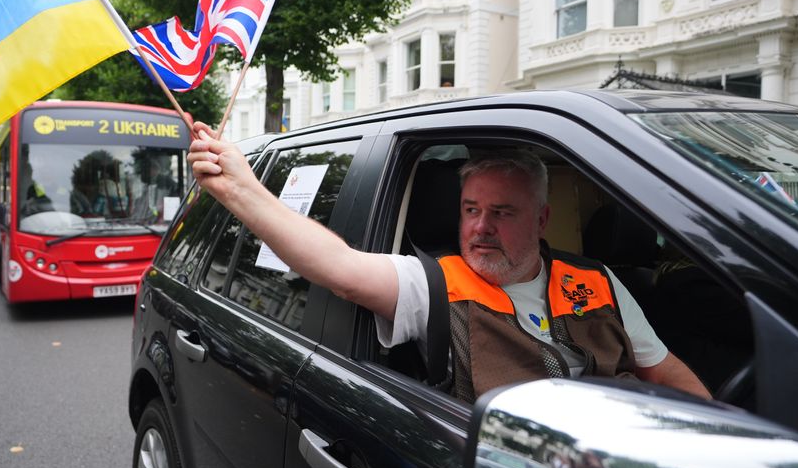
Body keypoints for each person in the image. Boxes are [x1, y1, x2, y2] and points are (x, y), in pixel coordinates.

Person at [187, 122, 711, 402]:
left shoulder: (596, 281)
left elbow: (666, 373)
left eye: (502, 213)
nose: (481, 228)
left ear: (542, 218)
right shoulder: (436, 283)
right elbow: (338, 269)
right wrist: (240, 189)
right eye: (470, 210)